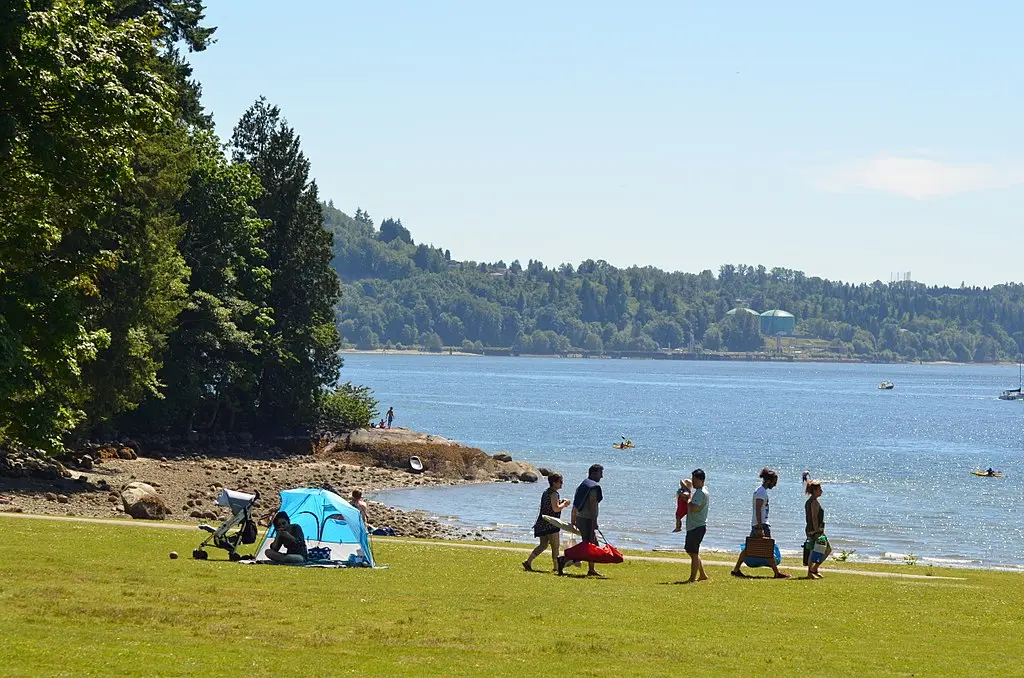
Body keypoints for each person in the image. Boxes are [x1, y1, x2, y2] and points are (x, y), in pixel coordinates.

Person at [730, 467, 790, 579]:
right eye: (774, 482)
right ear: (768, 481)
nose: (775, 484)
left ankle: (736, 569)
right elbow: (758, 509)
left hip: (759, 524)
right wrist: (760, 527)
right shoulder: (761, 492)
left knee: (749, 548)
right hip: (761, 524)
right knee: (768, 548)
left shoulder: (760, 491)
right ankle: (776, 573)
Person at [559, 464, 604, 576]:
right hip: (587, 520)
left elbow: (575, 505)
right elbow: (593, 506)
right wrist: (594, 522)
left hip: (580, 518)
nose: (601, 476)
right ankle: (564, 559)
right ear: (593, 473)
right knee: (589, 546)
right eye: (600, 473)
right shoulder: (593, 488)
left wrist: (573, 519)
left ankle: (591, 569)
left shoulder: (582, 485)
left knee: (591, 545)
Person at [523, 473, 571, 572]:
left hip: (542, 522)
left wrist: (561, 502)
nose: (562, 484)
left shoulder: (546, 492)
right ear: (554, 483)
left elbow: (550, 506)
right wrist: (565, 504)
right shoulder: (554, 493)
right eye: (560, 482)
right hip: (551, 524)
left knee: (543, 545)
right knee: (555, 546)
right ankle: (556, 568)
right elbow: (556, 509)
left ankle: (528, 561)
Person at [684, 469, 709, 583]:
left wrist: (688, 498)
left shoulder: (700, 492)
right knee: (690, 551)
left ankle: (692, 578)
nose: (693, 481)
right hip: (696, 526)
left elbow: (694, 508)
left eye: (694, 479)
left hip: (696, 526)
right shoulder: (702, 491)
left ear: (700, 480)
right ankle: (702, 574)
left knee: (693, 553)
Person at [803, 479, 830, 579]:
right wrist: (816, 530)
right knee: (827, 549)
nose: (821, 491)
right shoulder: (814, 502)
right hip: (815, 531)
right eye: (819, 489)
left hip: (810, 530)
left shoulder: (809, 501)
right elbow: (814, 517)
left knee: (813, 550)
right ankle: (813, 569)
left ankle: (812, 571)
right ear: (815, 491)